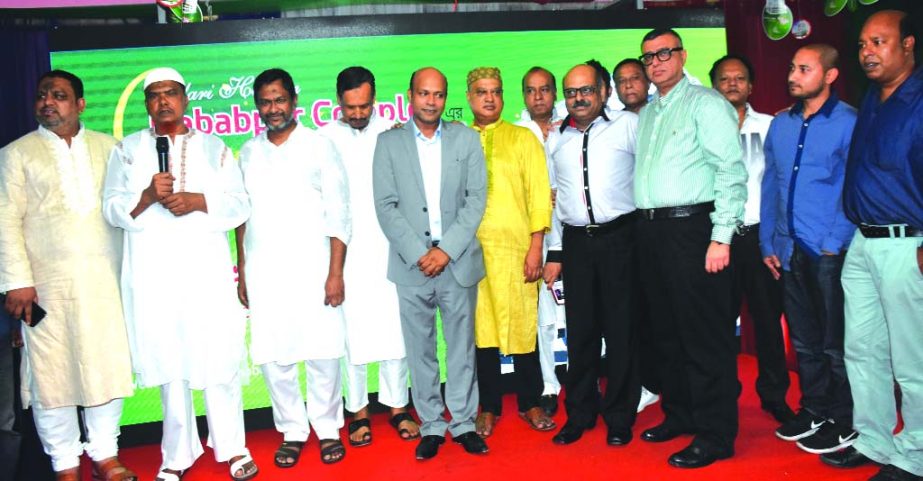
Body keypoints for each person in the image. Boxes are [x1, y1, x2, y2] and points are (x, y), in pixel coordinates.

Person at [102, 67, 257, 481]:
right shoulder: (128, 151)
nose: (163, 101)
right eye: (154, 95)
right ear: (147, 104)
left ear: (186, 99)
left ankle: (233, 447)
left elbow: (240, 204)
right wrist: (148, 197)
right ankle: (177, 454)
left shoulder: (214, 147)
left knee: (219, 359)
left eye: (171, 93)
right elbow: (112, 209)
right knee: (171, 364)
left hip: (205, 274)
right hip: (155, 277)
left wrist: (199, 200)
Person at [0, 70, 136, 481]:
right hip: (43, 288)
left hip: (104, 282)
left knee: (105, 367)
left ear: (79, 104)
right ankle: (64, 462)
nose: (47, 102)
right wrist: (16, 281)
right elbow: (5, 219)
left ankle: (105, 454)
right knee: (50, 374)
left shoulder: (110, 149)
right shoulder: (17, 153)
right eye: (42, 95)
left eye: (59, 95)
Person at [634, 28, 747, 468]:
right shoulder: (648, 113)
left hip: (695, 232)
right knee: (666, 335)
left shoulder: (707, 104)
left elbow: (730, 173)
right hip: (652, 235)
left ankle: (716, 433)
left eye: (664, 53)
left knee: (704, 337)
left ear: (682, 56)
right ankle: (680, 415)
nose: (656, 62)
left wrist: (721, 237)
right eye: (648, 57)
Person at [820, 10, 923, 481]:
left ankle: (916, 455)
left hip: (908, 246)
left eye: (879, 42)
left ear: (908, 45)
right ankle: (874, 440)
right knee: (861, 349)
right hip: (863, 244)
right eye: (862, 44)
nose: (867, 52)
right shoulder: (873, 99)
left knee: (913, 360)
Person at [235, 68, 351, 467]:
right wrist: (243, 268)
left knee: (322, 353)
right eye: (265, 102)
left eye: (279, 100)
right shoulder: (248, 152)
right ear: (257, 106)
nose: (273, 109)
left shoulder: (319, 146)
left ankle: (328, 428)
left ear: (293, 102)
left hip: (314, 265)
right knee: (275, 356)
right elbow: (241, 216)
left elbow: (340, 212)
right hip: (266, 269)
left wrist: (335, 272)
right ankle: (292, 430)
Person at [372, 67, 488, 460]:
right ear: (410, 95)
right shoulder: (388, 144)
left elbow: (476, 201)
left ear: (445, 97)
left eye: (438, 95)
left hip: (456, 262)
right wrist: (420, 253)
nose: (431, 101)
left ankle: (464, 424)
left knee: (460, 348)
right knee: (419, 349)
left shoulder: (466, 139)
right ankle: (433, 424)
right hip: (412, 265)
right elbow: (386, 206)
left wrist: (446, 250)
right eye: (424, 93)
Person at [761, 44, 858, 456]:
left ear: (830, 76)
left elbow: (855, 186)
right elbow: (771, 186)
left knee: (837, 343)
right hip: (789, 248)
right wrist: (770, 241)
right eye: (792, 67)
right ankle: (815, 408)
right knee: (803, 341)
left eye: (804, 68)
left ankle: (845, 419)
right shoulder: (781, 125)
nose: (793, 75)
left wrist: (835, 241)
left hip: (830, 250)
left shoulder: (850, 122)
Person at [318, 66, 420, 447]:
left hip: (392, 245)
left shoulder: (394, 131)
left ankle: (397, 406)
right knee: (351, 332)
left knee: (396, 327)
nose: (358, 114)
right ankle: (357, 410)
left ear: (374, 98)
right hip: (344, 251)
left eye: (364, 106)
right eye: (350, 107)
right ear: (338, 102)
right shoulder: (323, 139)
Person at [542, 62, 640, 447]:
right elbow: (553, 199)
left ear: (603, 92)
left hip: (622, 239)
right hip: (577, 243)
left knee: (621, 333)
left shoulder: (628, 126)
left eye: (585, 90)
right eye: (570, 92)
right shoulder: (556, 138)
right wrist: (555, 249)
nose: (577, 98)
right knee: (581, 333)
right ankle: (580, 414)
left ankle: (619, 416)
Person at [465, 67, 553, 438]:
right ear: (469, 98)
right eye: (482, 92)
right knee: (480, 332)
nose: (490, 98)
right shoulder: (458, 140)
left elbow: (538, 195)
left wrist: (536, 247)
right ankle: (489, 407)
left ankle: (530, 401)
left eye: (496, 92)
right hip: (471, 253)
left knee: (522, 327)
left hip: (517, 250)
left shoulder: (523, 139)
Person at [710, 54, 794, 424]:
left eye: (740, 78)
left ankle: (775, 396)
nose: (732, 84)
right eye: (724, 79)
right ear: (713, 86)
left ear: (751, 85)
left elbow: (781, 185)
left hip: (761, 237)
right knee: (717, 323)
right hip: (719, 239)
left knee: (767, 322)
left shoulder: (771, 126)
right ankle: (722, 397)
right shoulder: (705, 128)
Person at [613, 57, 660, 414]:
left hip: (668, 228)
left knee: (666, 311)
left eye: (635, 79)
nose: (629, 86)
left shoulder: (662, 115)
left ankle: (666, 381)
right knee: (632, 312)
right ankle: (643, 382)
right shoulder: (613, 124)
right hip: (628, 230)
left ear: (647, 82)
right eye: (621, 81)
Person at [516, 66, 563, 417]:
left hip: (576, 230)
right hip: (536, 236)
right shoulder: (516, 134)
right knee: (542, 317)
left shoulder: (573, 126)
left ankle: (585, 380)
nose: (538, 96)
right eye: (531, 91)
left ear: (555, 92)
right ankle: (549, 385)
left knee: (581, 313)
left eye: (544, 89)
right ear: (524, 96)